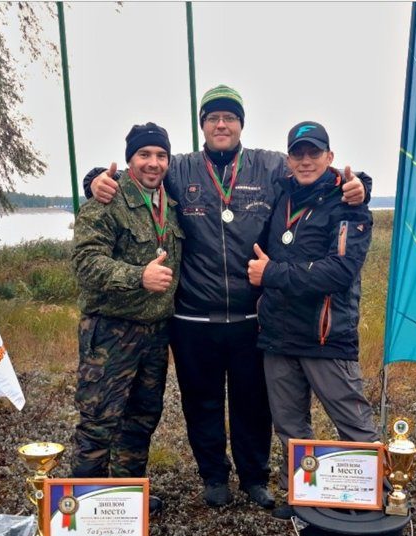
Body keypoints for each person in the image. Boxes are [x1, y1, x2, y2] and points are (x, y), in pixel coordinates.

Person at [85, 86, 369, 511]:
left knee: (253, 405)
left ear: (241, 124)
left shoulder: (271, 165)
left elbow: (320, 175)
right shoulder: (179, 168)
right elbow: (135, 172)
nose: (222, 124)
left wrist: (361, 184)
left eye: (230, 117)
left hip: (252, 317)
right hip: (193, 319)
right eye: (213, 117)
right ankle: (213, 477)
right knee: (202, 404)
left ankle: (256, 478)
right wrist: (93, 179)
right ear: (202, 126)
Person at [247, 121, 379, 520]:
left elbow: (339, 273)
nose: (306, 161)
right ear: (288, 159)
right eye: (298, 153)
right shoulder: (279, 193)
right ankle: (302, 496)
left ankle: (376, 495)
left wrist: (271, 275)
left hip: (326, 337)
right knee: (290, 426)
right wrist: (96, 179)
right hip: (278, 336)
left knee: (352, 422)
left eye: (314, 153)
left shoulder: (348, 206)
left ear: (330, 158)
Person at [69, 122, 183, 515]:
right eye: (144, 155)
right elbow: (86, 263)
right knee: (99, 421)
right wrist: (139, 276)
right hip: (111, 332)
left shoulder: (171, 201)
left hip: (155, 335)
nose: (154, 163)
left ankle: (123, 503)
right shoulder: (106, 200)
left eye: (161, 155)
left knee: (141, 420)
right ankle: (82, 511)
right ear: (130, 159)